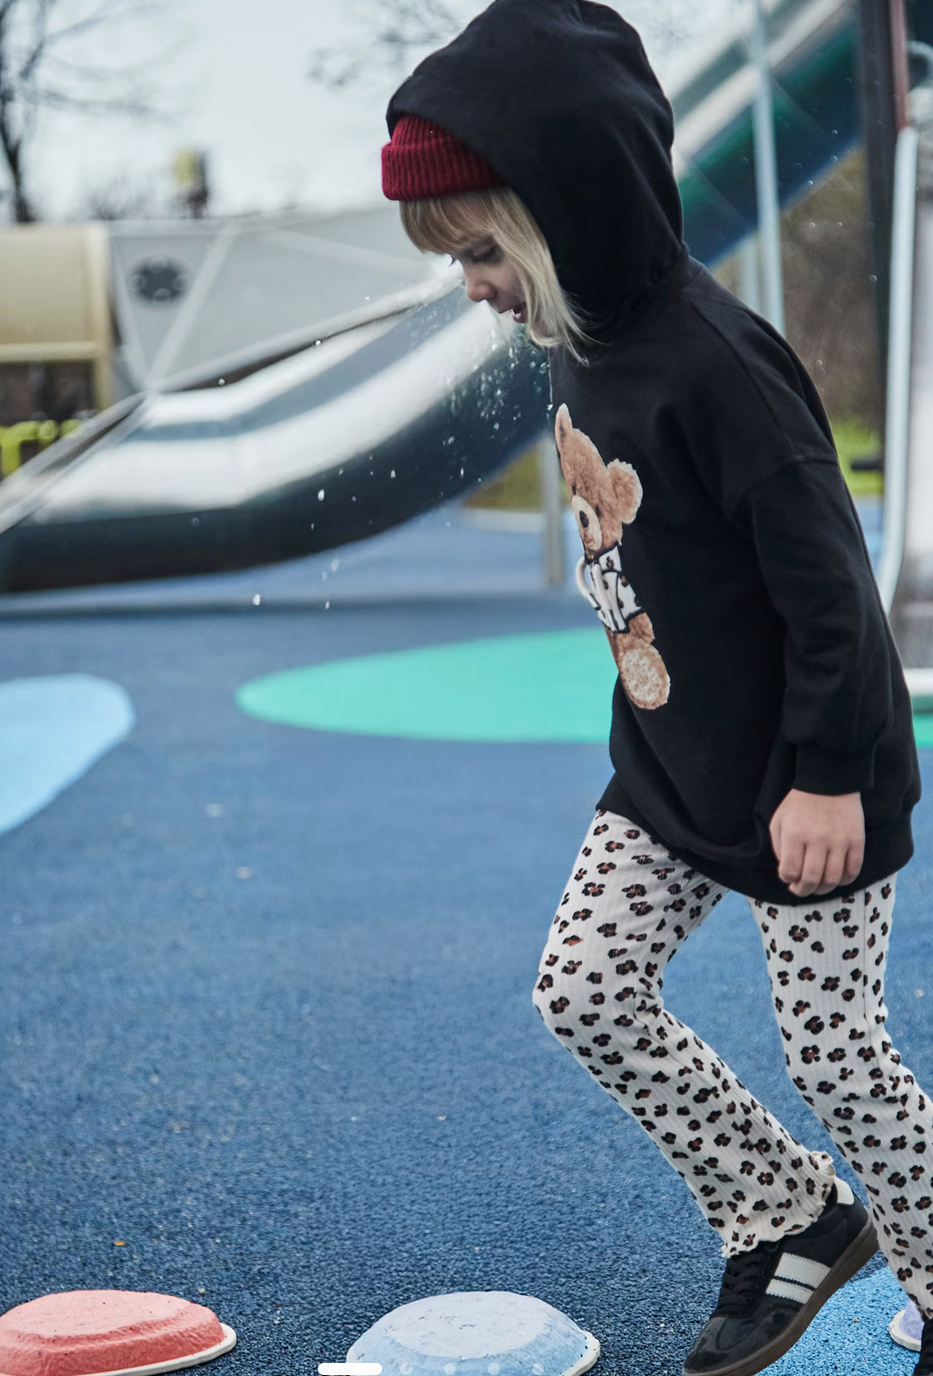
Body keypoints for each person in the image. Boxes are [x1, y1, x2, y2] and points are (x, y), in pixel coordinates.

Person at [380, 2, 932, 1374]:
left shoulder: (718, 368)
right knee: (584, 991)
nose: (474, 285)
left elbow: (837, 605)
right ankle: (788, 1213)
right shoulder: (585, 343)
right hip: (673, 776)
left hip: (811, 782)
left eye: (484, 251)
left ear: (569, 208)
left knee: (838, 1062)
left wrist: (824, 773)